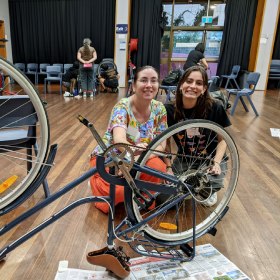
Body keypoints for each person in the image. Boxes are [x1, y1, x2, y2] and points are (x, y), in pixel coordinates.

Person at [89, 65, 168, 213]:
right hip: (111, 156)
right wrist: (131, 160)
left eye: (154, 81)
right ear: (134, 85)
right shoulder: (122, 106)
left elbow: (161, 145)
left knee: (159, 169)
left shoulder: (159, 109)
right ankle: (95, 181)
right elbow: (119, 141)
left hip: (140, 157)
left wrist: (139, 160)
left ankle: (137, 194)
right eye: (144, 80)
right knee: (117, 194)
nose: (149, 85)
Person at [164, 65, 231, 207]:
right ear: (181, 84)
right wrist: (168, 168)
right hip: (185, 158)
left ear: (204, 89)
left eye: (199, 83)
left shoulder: (215, 107)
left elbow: (223, 140)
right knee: (167, 193)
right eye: (189, 81)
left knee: (212, 182)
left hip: (210, 157)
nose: (193, 86)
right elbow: (166, 143)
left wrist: (217, 162)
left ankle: (208, 191)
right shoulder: (169, 109)